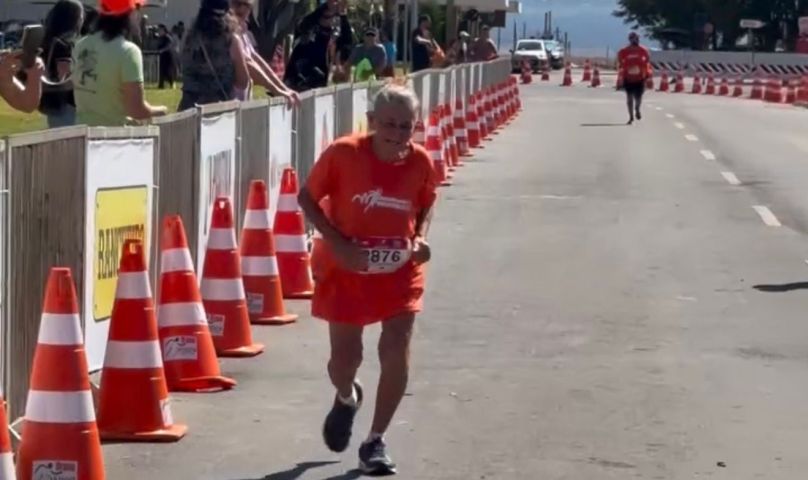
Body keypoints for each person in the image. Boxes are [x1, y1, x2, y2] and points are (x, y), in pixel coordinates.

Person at [297, 84, 438, 476]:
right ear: (372, 122)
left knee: (396, 347)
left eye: (406, 126)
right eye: (389, 124)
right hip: (346, 269)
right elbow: (307, 197)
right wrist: (337, 243)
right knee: (346, 360)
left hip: (399, 271)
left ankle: (375, 440)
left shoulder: (421, 162)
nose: (397, 134)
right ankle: (347, 395)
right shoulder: (344, 154)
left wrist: (420, 238)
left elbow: (427, 201)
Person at [72, 0, 167, 126]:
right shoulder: (128, 52)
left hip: (81, 134)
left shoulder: (81, 45)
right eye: (136, 8)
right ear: (128, 14)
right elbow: (136, 110)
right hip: (113, 138)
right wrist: (161, 111)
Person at [177, 0, 250, 111]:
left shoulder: (189, 36)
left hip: (188, 108)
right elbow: (243, 82)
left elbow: (182, 65)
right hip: (218, 111)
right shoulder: (231, 40)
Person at [229, 0, 299, 106]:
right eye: (237, 3)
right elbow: (248, 64)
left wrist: (284, 89)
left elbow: (255, 59)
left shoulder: (242, 33)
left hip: (240, 103)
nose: (242, 8)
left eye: (247, 5)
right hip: (226, 102)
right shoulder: (228, 33)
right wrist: (277, 91)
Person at [39, 0, 84, 127]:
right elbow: (64, 76)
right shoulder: (63, 45)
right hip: (66, 104)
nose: (82, 21)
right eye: (80, 17)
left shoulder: (48, 41)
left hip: (52, 101)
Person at [617, 32, 651, 125]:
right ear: (630, 39)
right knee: (629, 97)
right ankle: (631, 117)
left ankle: (637, 109)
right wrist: (624, 66)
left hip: (640, 77)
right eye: (634, 39)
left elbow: (647, 59)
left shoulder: (642, 50)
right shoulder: (624, 50)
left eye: (637, 39)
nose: (636, 40)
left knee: (638, 96)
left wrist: (644, 67)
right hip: (628, 77)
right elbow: (620, 60)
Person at [156, 24, 177, 89]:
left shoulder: (167, 37)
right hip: (162, 56)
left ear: (164, 30)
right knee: (161, 71)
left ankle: (172, 83)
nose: (159, 31)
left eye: (160, 30)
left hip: (168, 56)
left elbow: (169, 46)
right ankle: (161, 85)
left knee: (168, 71)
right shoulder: (160, 38)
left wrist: (162, 50)